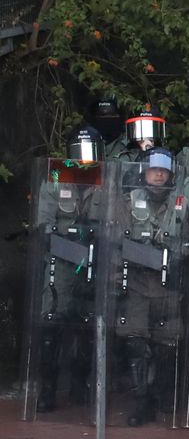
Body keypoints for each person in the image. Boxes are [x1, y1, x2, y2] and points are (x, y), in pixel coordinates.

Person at [29, 127, 105, 414]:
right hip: (60, 263)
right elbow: (43, 225)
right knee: (52, 322)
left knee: (87, 324)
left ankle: (79, 385)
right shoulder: (56, 176)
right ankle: (47, 389)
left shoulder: (104, 181)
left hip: (95, 262)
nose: (87, 158)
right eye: (81, 150)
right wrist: (71, 244)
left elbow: (112, 224)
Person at [110, 147, 187, 426]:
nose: (158, 174)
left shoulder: (182, 204)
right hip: (138, 283)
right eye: (153, 170)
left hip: (169, 285)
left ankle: (161, 393)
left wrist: (183, 260)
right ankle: (141, 399)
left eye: (163, 170)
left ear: (170, 174)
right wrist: (117, 281)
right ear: (144, 172)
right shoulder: (128, 201)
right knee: (135, 342)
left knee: (167, 343)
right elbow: (116, 242)